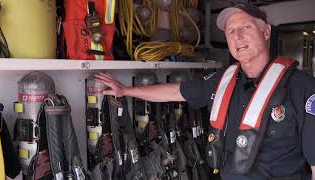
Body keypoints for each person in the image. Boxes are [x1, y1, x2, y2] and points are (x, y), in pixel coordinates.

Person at [95, 3, 315, 180]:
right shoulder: (224, 81)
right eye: (230, 31)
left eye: (245, 27)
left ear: (266, 32)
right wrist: (126, 90)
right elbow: (174, 92)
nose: (236, 36)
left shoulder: (301, 87)